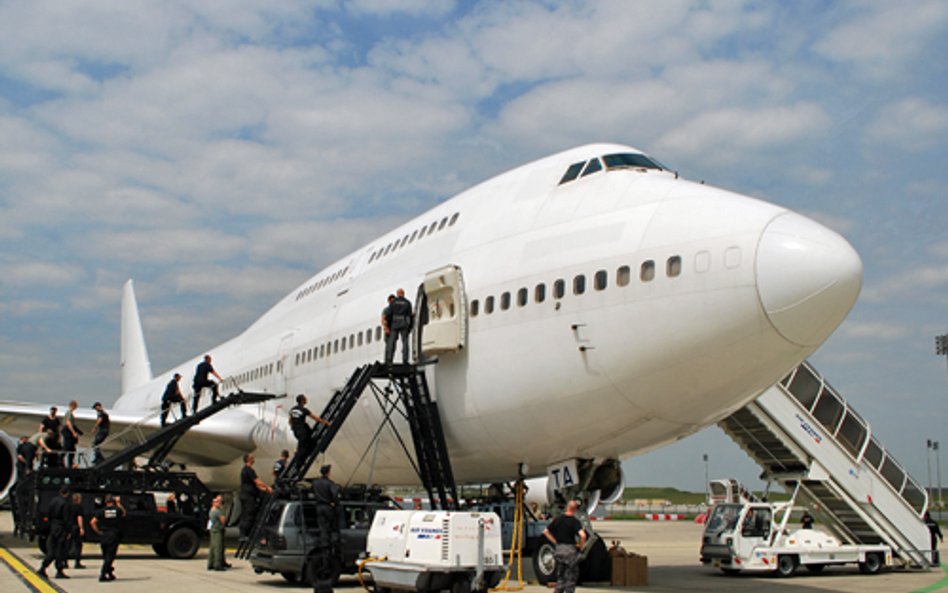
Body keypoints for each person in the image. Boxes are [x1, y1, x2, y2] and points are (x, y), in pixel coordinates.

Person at [542, 500, 587, 593]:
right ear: (575, 510)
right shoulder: (574, 521)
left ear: (567, 507)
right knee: (571, 578)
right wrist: (581, 547)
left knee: (560, 578)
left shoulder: (558, 519)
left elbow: (546, 531)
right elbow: (583, 535)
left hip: (559, 550)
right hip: (570, 551)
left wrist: (555, 542)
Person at [38, 486, 72, 580]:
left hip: (53, 527)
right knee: (60, 550)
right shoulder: (65, 504)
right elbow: (66, 519)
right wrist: (69, 531)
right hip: (61, 528)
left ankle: (43, 567)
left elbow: (49, 514)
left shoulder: (53, 501)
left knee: (51, 550)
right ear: (67, 493)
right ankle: (59, 570)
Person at [90, 494, 126, 582]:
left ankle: (109, 573)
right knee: (110, 556)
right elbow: (124, 513)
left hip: (104, 535)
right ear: (113, 501)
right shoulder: (117, 510)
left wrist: (98, 531)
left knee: (106, 555)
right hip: (113, 535)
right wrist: (118, 503)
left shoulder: (101, 511)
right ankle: (103, 574)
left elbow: (92, 522)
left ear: (105, 502)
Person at [238, 454, 272, 541]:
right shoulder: (248, 470)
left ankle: (247, 533)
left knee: (247, 513)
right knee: (248, 513)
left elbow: (255, 485)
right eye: (252, 458)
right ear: (248, 459)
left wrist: (264, 489)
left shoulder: (246, 470)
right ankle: (244, 533)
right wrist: (267, 487)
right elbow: (257, 482)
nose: (254, 459)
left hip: (246, 494)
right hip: (248, 495)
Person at [311, 464, 341, 550]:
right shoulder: (330, 483)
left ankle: (324, 544)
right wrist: (336, 503)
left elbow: (312, 491)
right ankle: (331, 545)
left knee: (322, 527)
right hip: (328, 507)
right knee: (331, 527)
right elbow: (335, 495)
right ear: (328, 473)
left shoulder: (315, 482)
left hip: (319, 507)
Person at [382, 289, 413, 365]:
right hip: (404, 323)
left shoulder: (393, 302)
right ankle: (405, 359)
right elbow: (410, 315)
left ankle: (389, 360)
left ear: (398, 294)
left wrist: (387, 326)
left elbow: (388, 314)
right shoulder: (407, 302)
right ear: (403, 294)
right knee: (405, 342)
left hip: (395, 323)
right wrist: (409, 327)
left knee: (391, 342)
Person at [207, 494, 227, 571]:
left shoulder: (211, 510)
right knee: (218, 548)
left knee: (212, 547)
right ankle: (217, 565)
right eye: (218, 501)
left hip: (213, 530)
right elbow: (223, 520)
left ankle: (211, 563)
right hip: (218, 530)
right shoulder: (217, 511)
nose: (220, 503)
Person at [69, 493, 86, 569]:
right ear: (79, 499)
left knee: (68, 544)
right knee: (78, 545)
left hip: (70, 527)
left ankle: (64, 562)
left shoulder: (69, 507)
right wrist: (81, 528)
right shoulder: (79, 507)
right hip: (76, 527)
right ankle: (77, 562)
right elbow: (79, 517)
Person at [62, 400, 82, 468]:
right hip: (67, 431)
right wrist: (73, 432)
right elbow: (68, 423)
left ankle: (71, 463)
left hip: (69, 430)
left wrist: (78, 431)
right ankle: (61, 461)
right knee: (67, 446)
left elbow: (72, 424)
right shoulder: (69, 413)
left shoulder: (70, 413)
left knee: (72, 448)